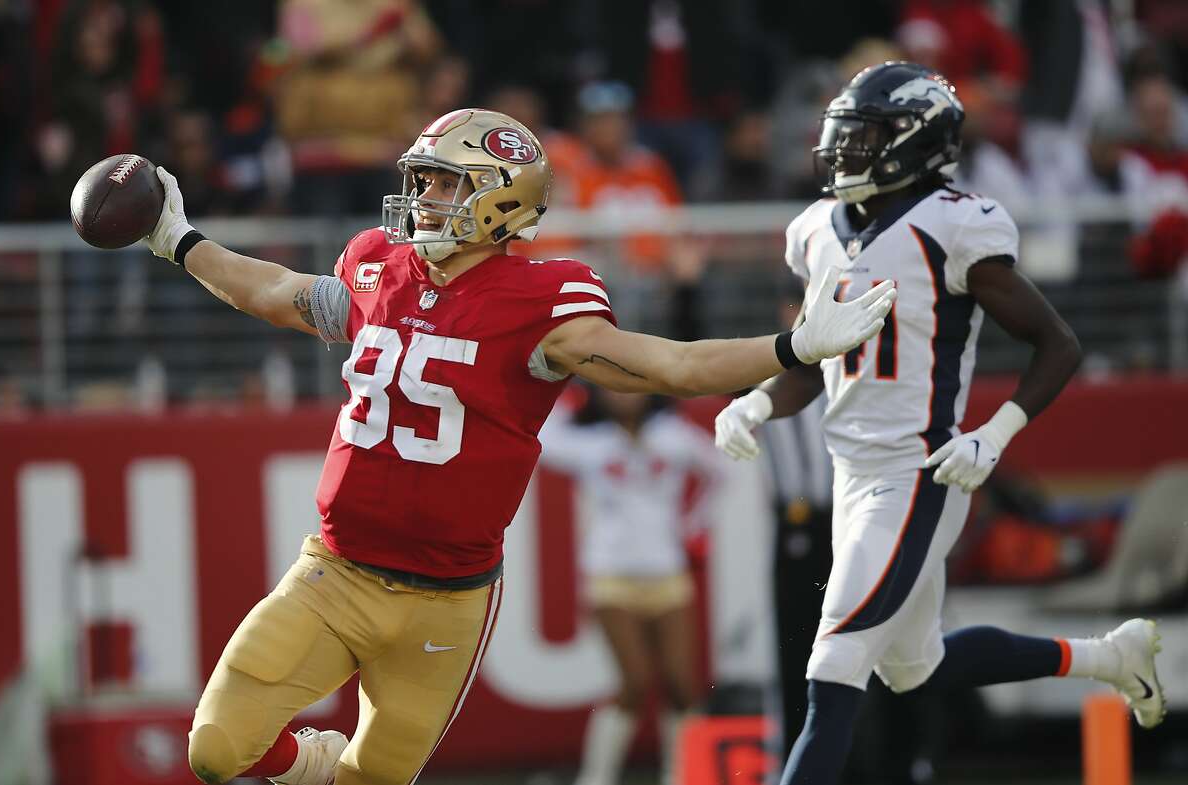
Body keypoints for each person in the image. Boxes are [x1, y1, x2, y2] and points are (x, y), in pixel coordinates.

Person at [135, 107, 896, 785]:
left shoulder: (542, 303)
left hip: (446, 598)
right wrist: (180, 240)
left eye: (443, 183)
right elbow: (271, 290)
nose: (424, 198)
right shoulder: (379, 268)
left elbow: (674, 365)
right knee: (215, 748)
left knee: (375, 779)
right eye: (423, 180)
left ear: (500, 198)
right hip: (333, 570)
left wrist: (792, 346)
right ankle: (307, 767)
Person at [712, 62, 1166, 785]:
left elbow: (1059, 343)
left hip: (918, 471)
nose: (843, 151)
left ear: (913, 143)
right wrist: (759, 401)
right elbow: (813, 356)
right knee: (914, 666)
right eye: (843, 135)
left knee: (831, 669)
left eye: (864, 138)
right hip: (853, 474)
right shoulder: (816, 230)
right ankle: (1108, 656)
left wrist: (997, 430)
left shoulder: (954, 225)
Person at [540, 388, 715, 785]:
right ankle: (596, 778)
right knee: (634, 682)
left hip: (667, 574)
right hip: (610, 576)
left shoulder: (672, 434)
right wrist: (559, 395)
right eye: (612, 386)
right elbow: (545, 441)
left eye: (631, 383)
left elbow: (722, 469)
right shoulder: (591, 443)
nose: (622, 395)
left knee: (681, 685)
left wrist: (695, 525)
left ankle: (683, 777)